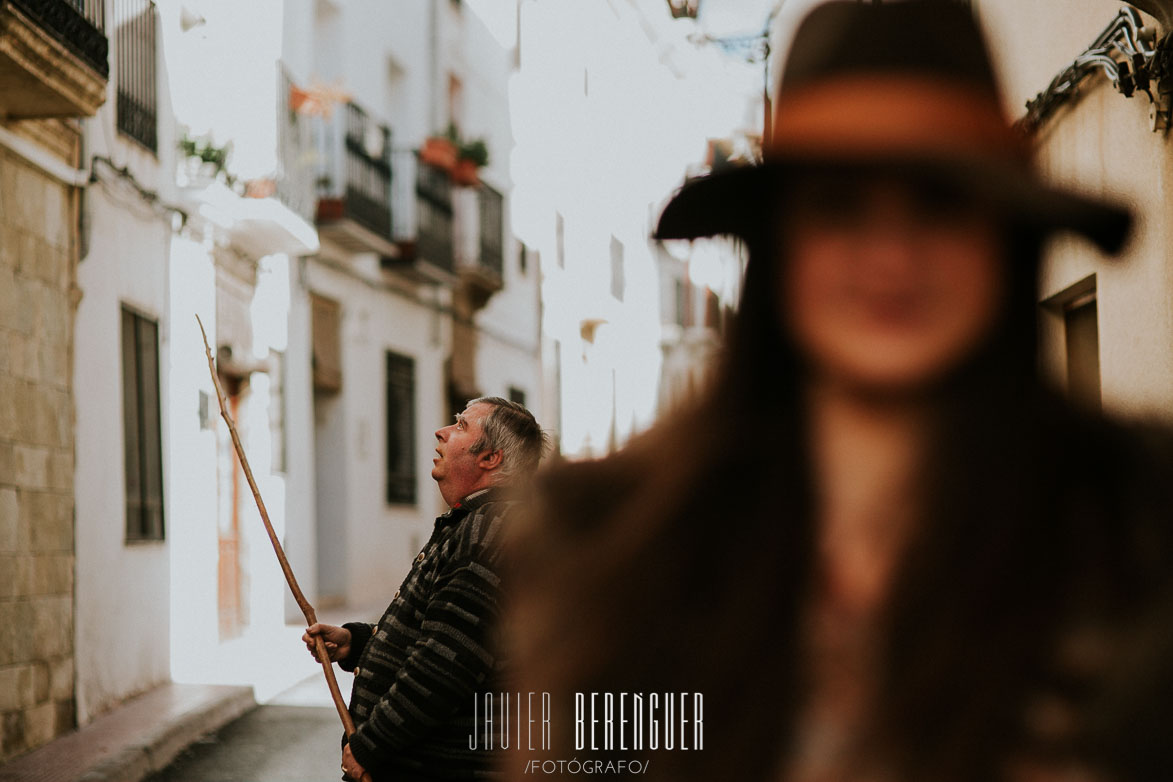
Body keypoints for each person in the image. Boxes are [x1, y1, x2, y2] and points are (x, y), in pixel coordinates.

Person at [504, 3, 1173, 782]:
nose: (890, 258)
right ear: (777, 244)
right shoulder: (609, 546)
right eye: (838, 207)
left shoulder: (1140, 527)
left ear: (1003, 235)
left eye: (937, 200)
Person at [305, 397, 547, 782]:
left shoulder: (487, 534)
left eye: (461, 426)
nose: (442, 431)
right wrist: (360, 642)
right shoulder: (478, 524)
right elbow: (450, 637)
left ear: (490, 458)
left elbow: (445, 667)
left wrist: (372, 745)